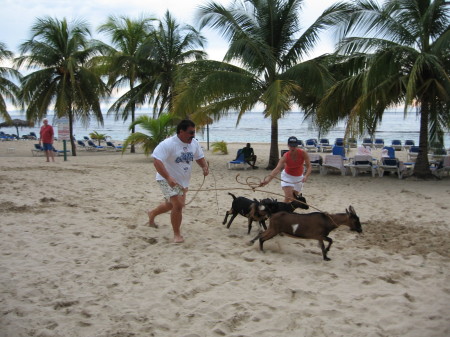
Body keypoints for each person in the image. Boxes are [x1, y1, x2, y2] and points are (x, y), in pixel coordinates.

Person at [148, 119, 209, 243]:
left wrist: (204, 166)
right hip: (165, 179)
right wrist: (168, 177)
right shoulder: (168, 144)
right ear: (181, 132)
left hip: (183, 181)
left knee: (170, 205)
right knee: (178, 206)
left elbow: (199, 157)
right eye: (191, 132)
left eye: (194, 132)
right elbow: (157, 161)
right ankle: (177, 235)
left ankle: (152, 213)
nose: (193, 135)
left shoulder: (194, 143)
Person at [260, 136, 311, 202]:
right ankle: (283, 211)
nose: (292, 148)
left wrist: (306, 176)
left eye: (294, 146)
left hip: (299, 178)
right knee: (289, 197)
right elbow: (277, 169)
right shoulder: (285, 156)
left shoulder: (303, 153)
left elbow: (309, 166)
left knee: (294, 199)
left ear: (297, 145)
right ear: (288, 145)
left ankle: (287, 211)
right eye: (291, 146)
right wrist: (267, 181)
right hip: (287, 176)